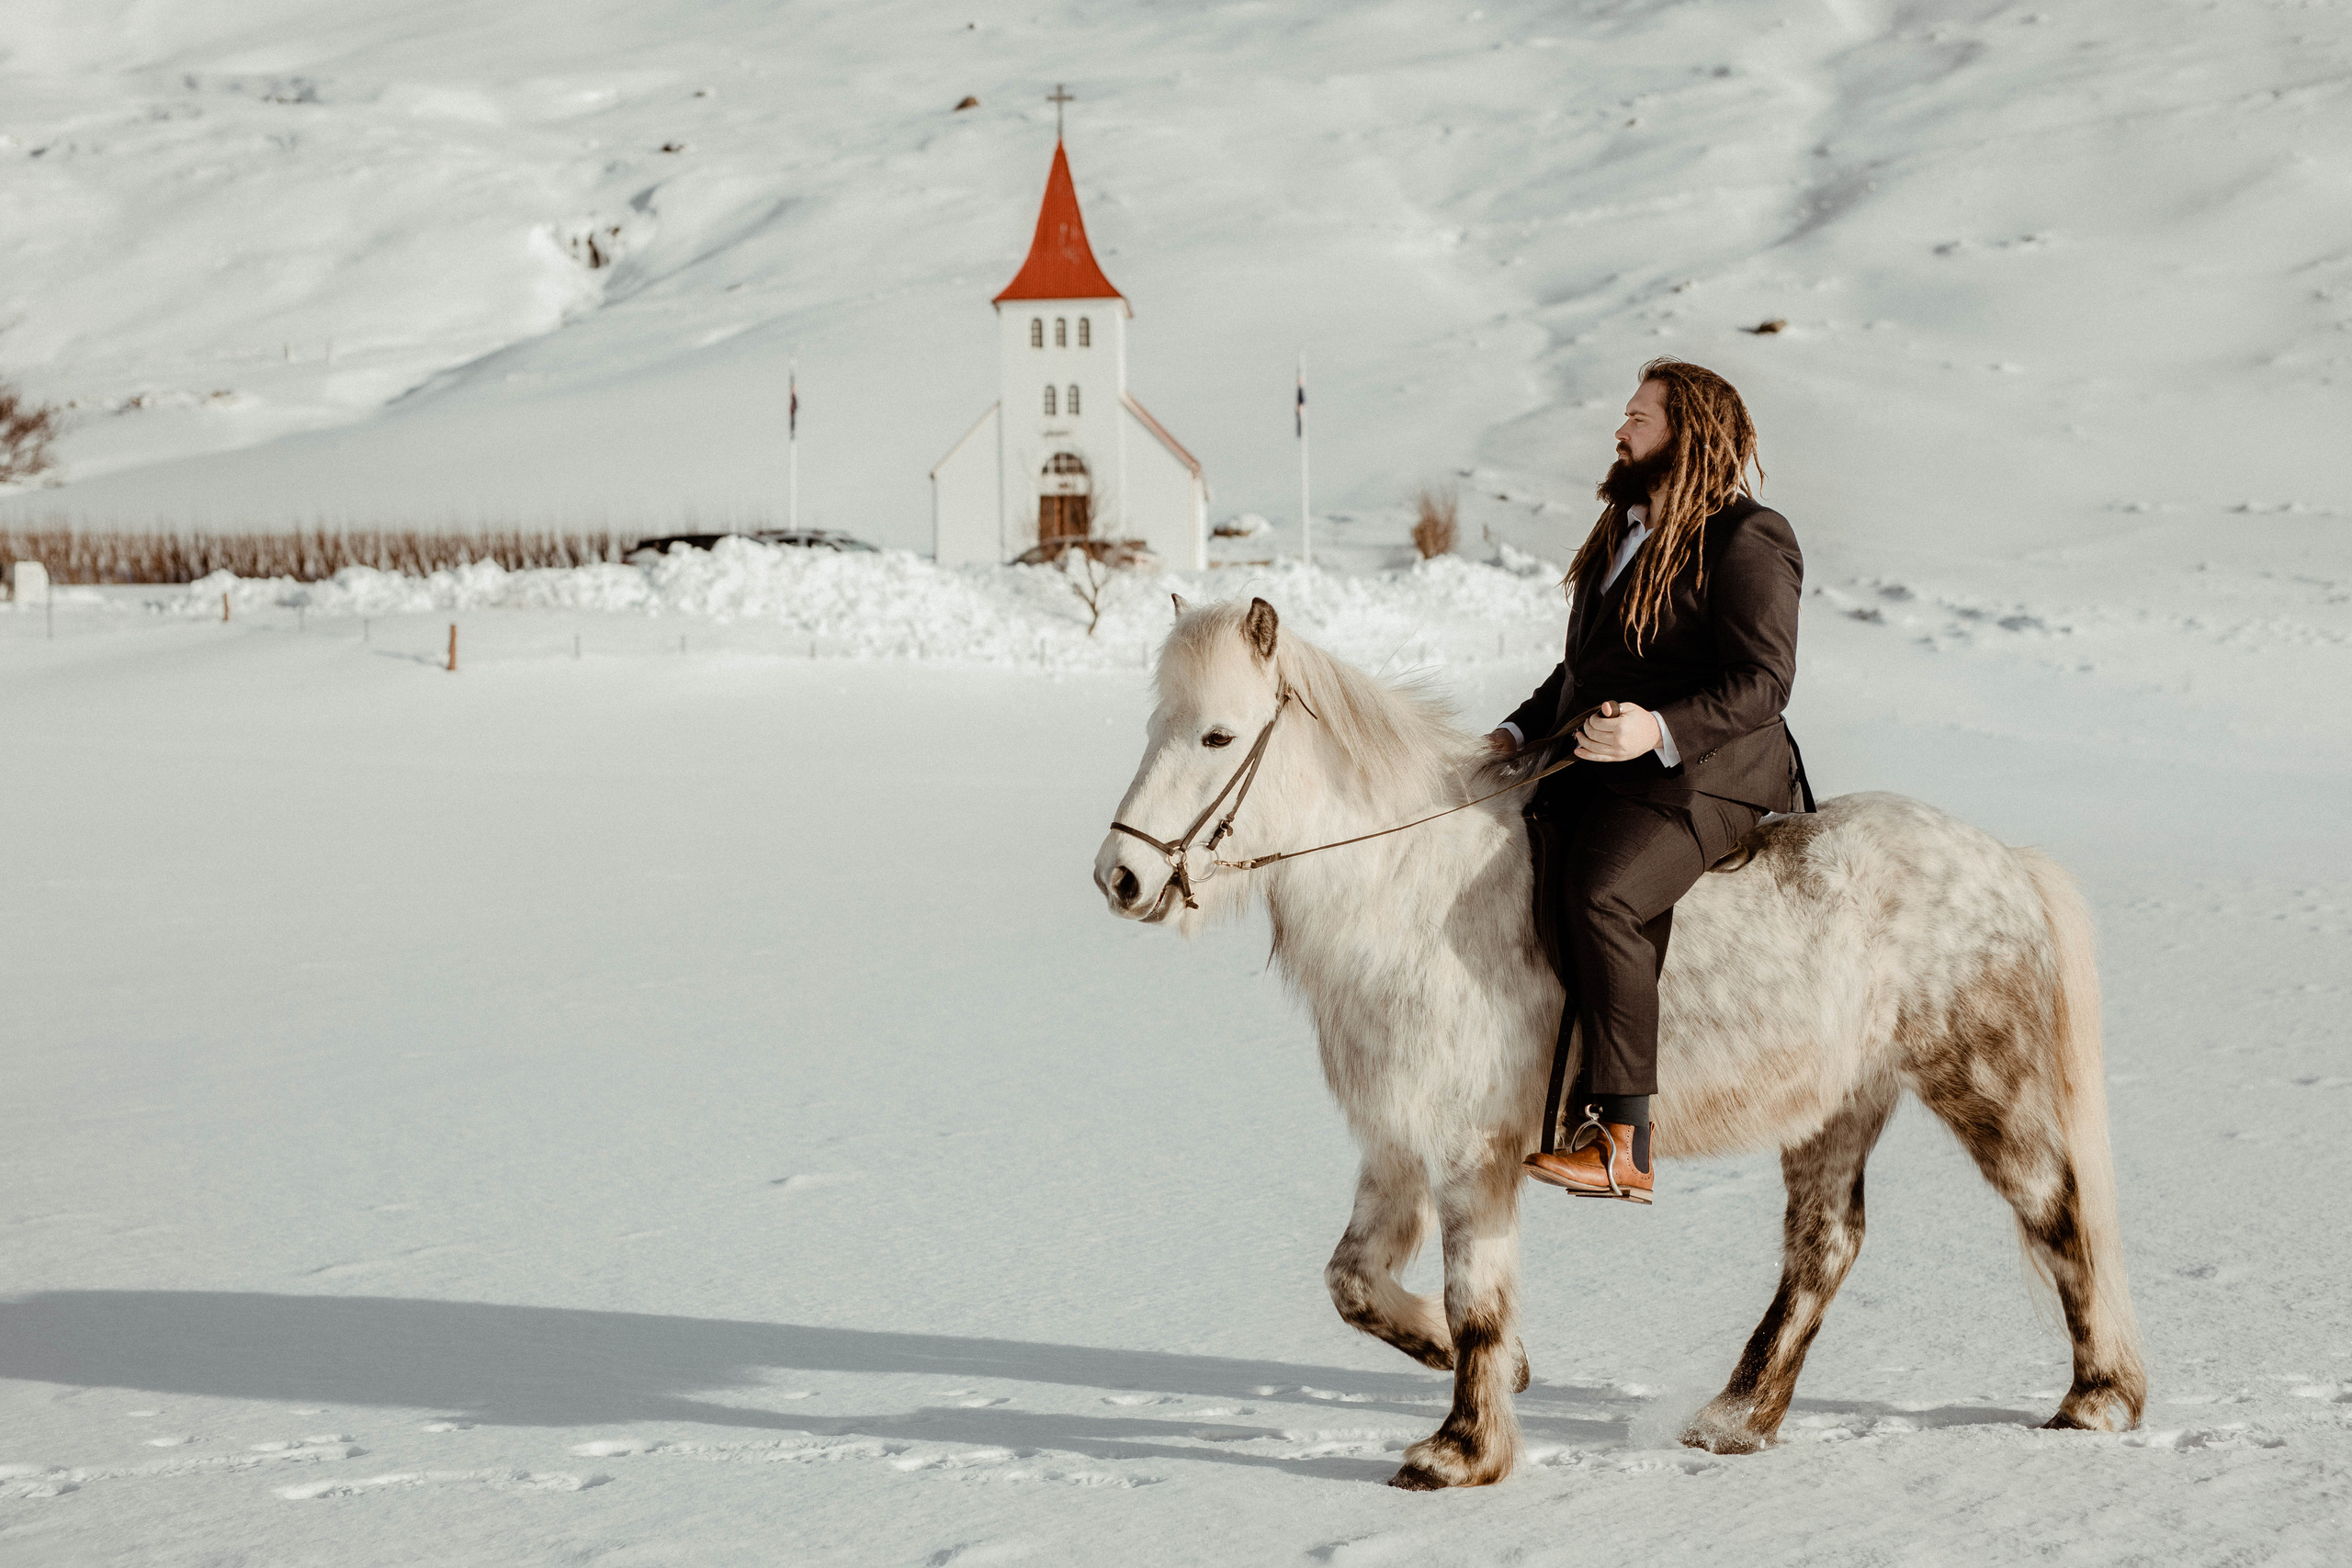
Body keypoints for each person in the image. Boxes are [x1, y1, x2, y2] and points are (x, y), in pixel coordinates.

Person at [1495, 358, 1808, 1203]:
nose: (1621, 428)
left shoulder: (1749, 535)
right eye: (1625, 415)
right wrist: (1515, 733)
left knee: (1602, 892)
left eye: (1639, 415)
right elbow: (1581, 673)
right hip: (1611, 764)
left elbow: (1764, 681)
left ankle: (1622, 1137)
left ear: (1688, 433)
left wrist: (1657, 728)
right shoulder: (1621, 533)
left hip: (1714, 775)